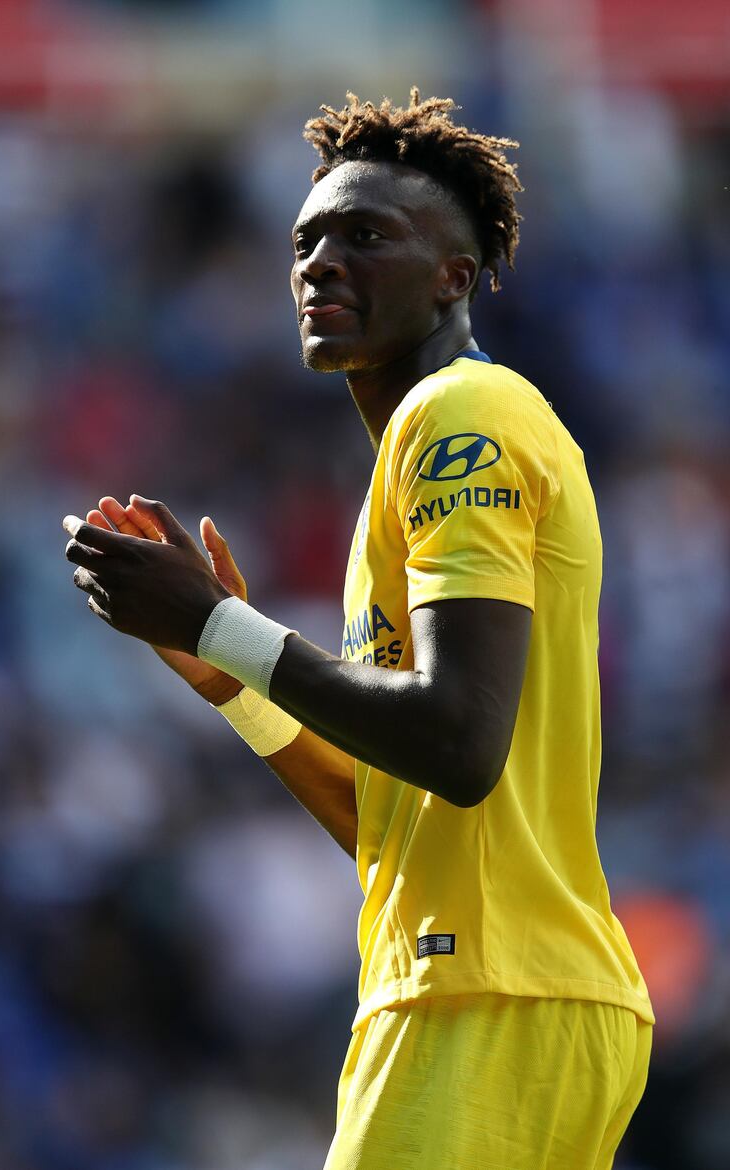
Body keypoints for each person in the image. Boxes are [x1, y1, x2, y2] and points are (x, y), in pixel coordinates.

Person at [63, 89, 654, 1169]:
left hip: (481, 1000)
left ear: (454, 278)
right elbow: (400, 814)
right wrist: (230, 675)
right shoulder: (413, 459)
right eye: (305, 240)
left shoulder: (456, 416)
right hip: (499, 995)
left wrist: (220, 621)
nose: (318, 262)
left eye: (364, 235)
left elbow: (456, 741)